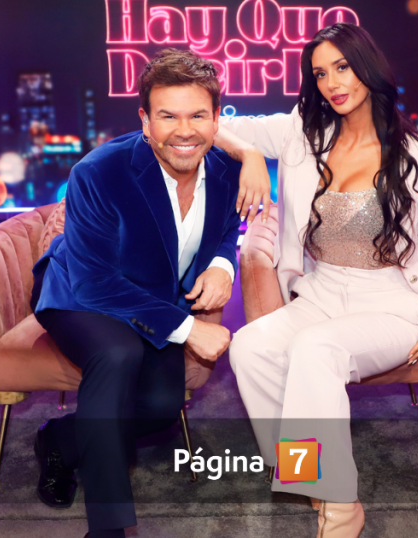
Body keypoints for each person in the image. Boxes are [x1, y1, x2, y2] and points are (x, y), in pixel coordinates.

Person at [216, 23, 418, 538]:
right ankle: (308, 476)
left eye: (342, 68)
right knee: (251, 347)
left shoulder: (416, 152)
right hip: (322, 290)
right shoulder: (301, 133)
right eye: (320, 73)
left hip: (390, 300)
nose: (331, 83)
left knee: (316, 349)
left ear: (367, 66)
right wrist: (252, 156)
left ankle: (342, 504)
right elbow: (212, 124)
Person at [28, 48, 263, 538]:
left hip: (154, 299)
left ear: (216, 120)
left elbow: (226, 227)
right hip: (81, 294)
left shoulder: (226, 171)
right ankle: (109, 529)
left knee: (159, 408)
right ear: (145, 121)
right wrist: (188, 328)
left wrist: (223, 263)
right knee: (117, 354)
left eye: (197, 115)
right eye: (168, 116)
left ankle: (62, 440)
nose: (184, 130)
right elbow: (94, 282)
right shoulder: (99, 171)